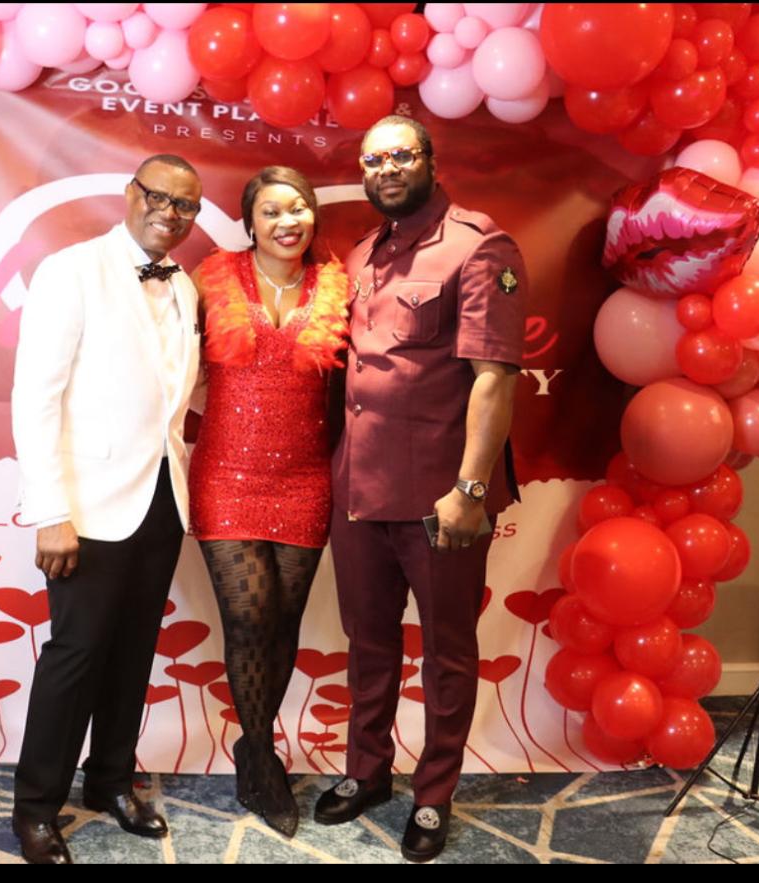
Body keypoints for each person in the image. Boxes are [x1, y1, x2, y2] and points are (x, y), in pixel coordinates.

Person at [315, 116, 525, 863]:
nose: (387, 168)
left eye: (401, 154)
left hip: (441, 497)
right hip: (358, 489)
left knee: (448, 651)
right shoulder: (363, 252)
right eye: (374, 159)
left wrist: (470, 488)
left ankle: (434, 795)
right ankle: (367, 771)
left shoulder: (479, 246)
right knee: (368, 642)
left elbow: (495, 378)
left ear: (431, 161)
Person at [9, 154, 204, 864]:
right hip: (87, 506)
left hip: (161, 497)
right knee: (76, 655)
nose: (170, 213)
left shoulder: (185, 285)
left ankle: (110, 782)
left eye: (186, 205)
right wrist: (50, 510)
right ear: (130, 194)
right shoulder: (71, 270)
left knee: (132, 652)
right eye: (159, 197)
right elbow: (36, 397)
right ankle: (35, 809)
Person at [188, 166, 349, 837]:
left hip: (306, 477)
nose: (289, 221)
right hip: (227, 474)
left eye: (300, 208)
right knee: (250, 617)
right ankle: (260, 756)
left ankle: (255, 751)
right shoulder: (211, 280)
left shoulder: (339, 286)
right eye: (273, 211)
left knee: (283, 621)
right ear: (250, 221)